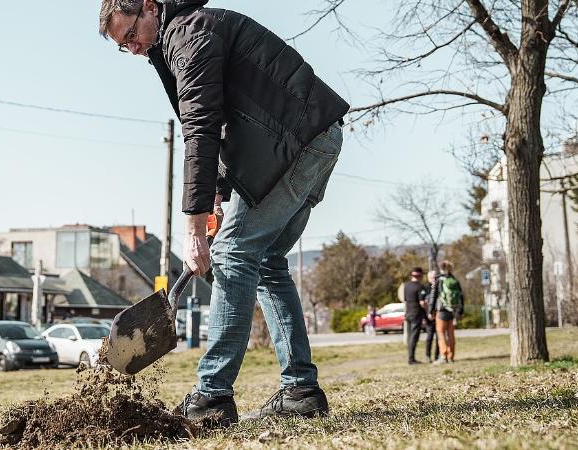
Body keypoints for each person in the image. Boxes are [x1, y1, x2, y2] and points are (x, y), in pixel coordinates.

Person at [100, 0, 350, 426]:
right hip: (312, 139)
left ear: (147, 6)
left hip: (300, 142)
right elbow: (222, 118)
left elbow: (200, 126)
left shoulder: (189, 33)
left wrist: (194, 227)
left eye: (131, 36)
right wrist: (215, 191)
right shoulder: (182, 34)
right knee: (266, 263)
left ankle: (212, 396)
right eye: (124, 47)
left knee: (233, 254)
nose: (135, 49)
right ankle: (301, 392)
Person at [427, 260, 464, 363]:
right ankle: (451, 356)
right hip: (452, 311)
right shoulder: (454, 280)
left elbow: (433, 296)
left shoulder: (438, 280)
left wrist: (430, 311)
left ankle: (443, 355)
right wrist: (460, 311)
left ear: (441, 268)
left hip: (441, 311)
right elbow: (461, 296)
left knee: (441, 333)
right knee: (451, 334)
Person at [402, 267, 428, 365]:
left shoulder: (406, 286)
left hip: (408, 314)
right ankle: (411, 359)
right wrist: (427, 309)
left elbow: (405, 301)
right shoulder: (420, 287)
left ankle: (410, 357)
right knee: (414, 337)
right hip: (416, 314)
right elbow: (422, 303)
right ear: (420, 276)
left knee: (410, 337)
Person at [422, 270, 440, 363]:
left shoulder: (440, 287)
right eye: (432, 278)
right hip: (428, 317)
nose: (434, 279)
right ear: (428, 278)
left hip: (439, 316)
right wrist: (425, 316)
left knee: (438, 337)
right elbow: (422, 304)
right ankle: (427, 355)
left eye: (435, 277)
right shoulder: (425, 289)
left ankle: (437, 356)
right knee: (429, 337)